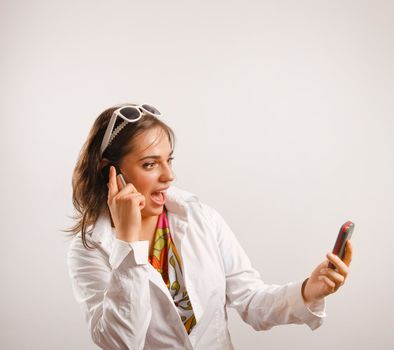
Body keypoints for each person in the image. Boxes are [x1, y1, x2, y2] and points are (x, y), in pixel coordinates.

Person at [66, 103, 353, 349]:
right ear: (110, 170)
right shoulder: (88, 249)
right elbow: (122, 343)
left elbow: (250, 301)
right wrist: (128, 243)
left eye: (169, 160)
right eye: (151, 164)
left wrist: (308, 291)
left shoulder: (200, 216)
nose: (169, 175)